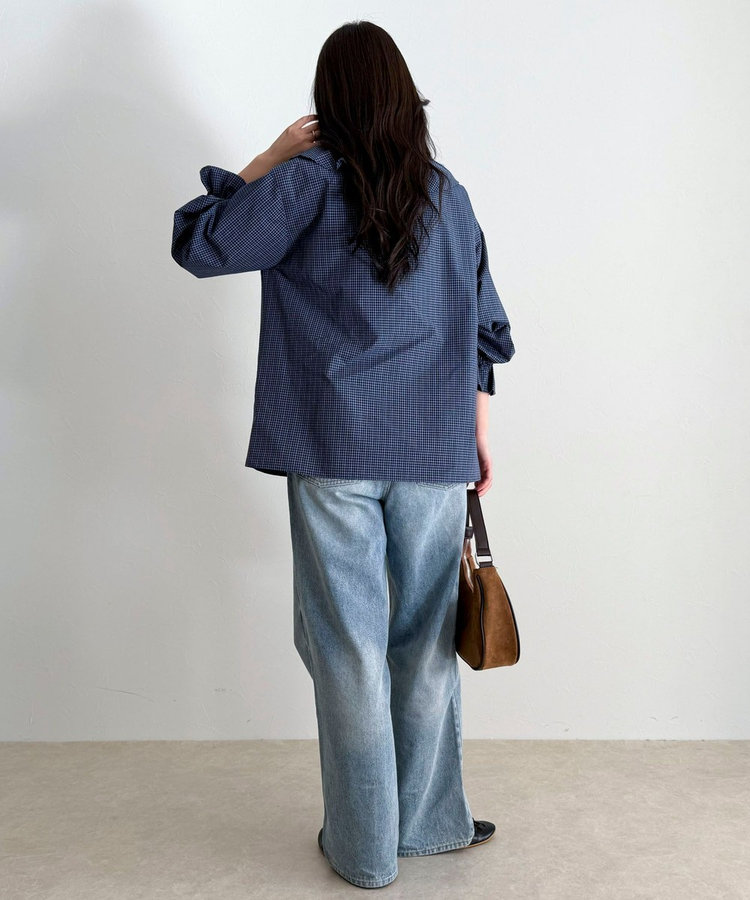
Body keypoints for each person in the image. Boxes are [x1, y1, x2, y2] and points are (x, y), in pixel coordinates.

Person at [171, 19, 515, 890]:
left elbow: (201, 245)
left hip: (333, 446)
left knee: (347, 646)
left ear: (328, 102)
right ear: (403, 97)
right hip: (433, 448)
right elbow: (486, 327)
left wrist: (265, 159)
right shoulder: (447, 194)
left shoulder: (305, 183)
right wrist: (478, 435)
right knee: (424, 642)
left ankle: (365, 850)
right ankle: (427, 827)